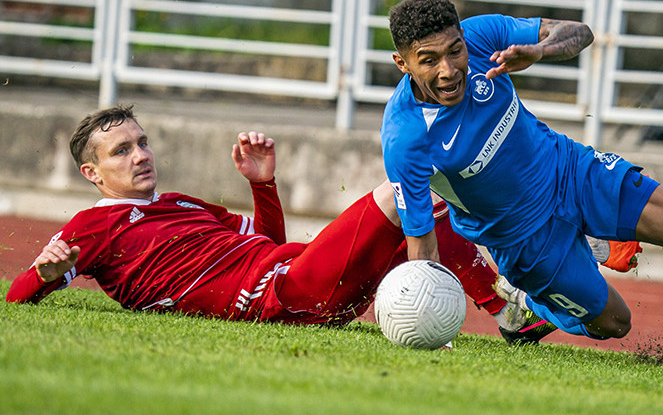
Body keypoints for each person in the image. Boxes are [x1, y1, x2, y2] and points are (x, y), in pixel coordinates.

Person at [380, 0, 663, 378]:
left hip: (570, 171)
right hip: (523, 239)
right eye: (428, 60)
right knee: (616, 323)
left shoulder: (483, 34)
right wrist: (433, 325)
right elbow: (422, 242)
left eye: (455, 51)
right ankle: (523, 299)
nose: (449, 70)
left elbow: (580, 33)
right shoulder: (406, 137)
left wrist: (540, 51)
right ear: (403, 63)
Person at [5, 105, 568, 344]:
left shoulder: (184, 204)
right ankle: (509, 302)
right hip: (278, 296)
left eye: (142, 142)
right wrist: (48, 273)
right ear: (92, 172)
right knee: (403, 193)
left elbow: (266, 239)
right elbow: (20, 295)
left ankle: (514, 289)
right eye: (122, 151)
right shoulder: (92, 225)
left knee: (424, 204)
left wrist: (263, 183)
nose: (140, 155)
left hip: (299, 278)